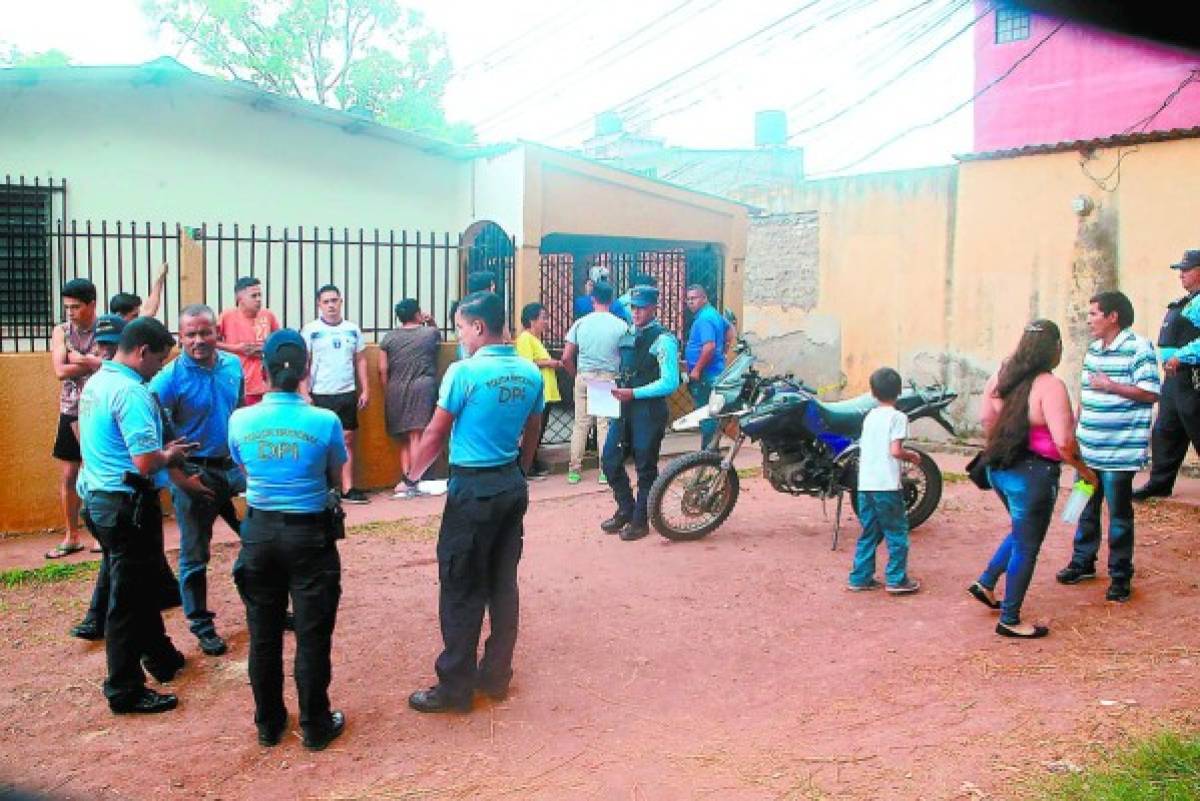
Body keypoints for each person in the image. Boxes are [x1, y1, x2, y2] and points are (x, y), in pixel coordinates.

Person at [401, 291, 543, 713]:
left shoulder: (463, 373)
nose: (459, 335)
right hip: (510, 484)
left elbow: (435, 433)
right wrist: (521, 465)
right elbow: (534, 428)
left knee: (461, 586)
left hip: (473, 489)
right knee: (502, 583)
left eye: (461, 327)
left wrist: (411, 476)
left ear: (478, 327)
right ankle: (496, 676)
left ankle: (455, 689)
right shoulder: (530, 372)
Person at [228, 329, 348, 750]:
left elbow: (244, 468)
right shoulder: (324, 421)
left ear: (262, 367)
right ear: (306, 369)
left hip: (259, 533)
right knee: (312, 634)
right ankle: (315, 725)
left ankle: (269, 723)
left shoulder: (241, 419)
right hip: (309, 534)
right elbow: (337, 475)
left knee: (263, 633)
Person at [77, 317, 193, 714]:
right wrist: (172, 455)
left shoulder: (97, 383)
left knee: (137, 584)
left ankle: (161, 657)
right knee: (126, 600)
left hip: (98, 500)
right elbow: (145, 461)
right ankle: (123, 688)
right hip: (126, 504)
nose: (158, 370)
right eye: (158, 361)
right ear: (143, 352)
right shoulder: (131, 393)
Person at [968, 320, 1098, 639]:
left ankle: (986, 583)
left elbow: (986, 418)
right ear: (1053, 349)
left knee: (1020, 529)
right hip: (1033, 476)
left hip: (1000, 468)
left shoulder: (1002, 376)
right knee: (1028, 544)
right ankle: (1010, 618)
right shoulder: (1050, 387)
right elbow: (1065, 443)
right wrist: (1085, 472)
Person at [150, 304, 246, 655]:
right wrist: (177, 477)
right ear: (180, 338)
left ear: (217, 333)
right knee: (194, 555)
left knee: (259, 540)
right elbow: (151, 432)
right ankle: (201, 625)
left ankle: (266, 607)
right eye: (190, 334)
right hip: (193, 475)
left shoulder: (233, 367)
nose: (198, 340)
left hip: (233, 470)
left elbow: (237, 417)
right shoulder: (168, 379)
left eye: (205, 332)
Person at [1055, 292, 1160, 602]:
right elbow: (1085, 395)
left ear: (1113, 316)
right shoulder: (1093, 350)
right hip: (1089, 451)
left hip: (1119, 453)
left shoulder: (1139, 348)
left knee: (1119, 516)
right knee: (1082, 507)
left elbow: (1150, 392)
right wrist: (1074, 430)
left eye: (1094, 314)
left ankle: (1119, 576)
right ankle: (1082, 562)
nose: (1089, 320)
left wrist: (1111, 386)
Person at [600, 285, 681, 541]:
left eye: (642, 307)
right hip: (623, 407)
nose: (636, 312)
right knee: (610, 459)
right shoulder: (628, 333)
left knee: (645, 466)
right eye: (633, 307)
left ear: (654, 307)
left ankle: (640, 520)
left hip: (648, 410)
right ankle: (626, 508)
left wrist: (634, 393)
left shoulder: (663, 339)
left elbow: (670, 382)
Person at [847, 367, 922, 595]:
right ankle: (896, 579)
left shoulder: (869, 416)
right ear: (899, 392)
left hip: (865, 485)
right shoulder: (898, 417)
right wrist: (913, 456)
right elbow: (895, 450)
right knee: (896, 532)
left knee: (869, 532)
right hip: (887, 486)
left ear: (873, 392)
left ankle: (860, 577)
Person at [1133, 249, 1200, 501]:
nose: (1181, 274)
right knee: (1166, 431)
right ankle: (1160, 483)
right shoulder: (1187, 301)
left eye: (1187, 269)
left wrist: (1182, 356)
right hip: (1175, 379)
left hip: (1194, 377)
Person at [48, 278, 102, 559]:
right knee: (70, 474)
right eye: (67, 307)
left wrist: (78, 358)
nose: (70, 312)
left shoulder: (105, 328)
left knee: (96, 471)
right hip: (71, 409)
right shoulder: (62, 331)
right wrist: (90, 361)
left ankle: (99, 535)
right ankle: (71, 535)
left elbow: (109, 364)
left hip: (100, 410)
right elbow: (59, 370)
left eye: (76, 307)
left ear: (92, 304)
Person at [301, 284, 370, 504]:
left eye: (335, 300)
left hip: (346, 393)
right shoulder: (310, 330)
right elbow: (305, 363)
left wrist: (365, 388)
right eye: (326, 301)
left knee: (347, 440)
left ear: (341, 302)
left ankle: (347, 488)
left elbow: (360, 360)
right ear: (319, 305)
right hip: (320, 393)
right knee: (320, 442)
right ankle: (325, 487)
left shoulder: (352, 329)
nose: (331, 305)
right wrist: (304, 392)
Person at [562, 281, 627, 484]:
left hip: (584, 375)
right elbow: (626, 355)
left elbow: (566, 358)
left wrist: (576, 375)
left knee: (580, 424)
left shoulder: (581, 324)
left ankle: (574, 470)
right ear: (612, 300)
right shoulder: (621, 325)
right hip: (608, 378)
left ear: (593, 299)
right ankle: (604, 471)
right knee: (604, 425)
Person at [380, 298, 441, 496]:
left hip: (395, 388)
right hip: (422, 387)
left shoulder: (389, 338)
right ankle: (415, 482)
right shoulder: (429, 333)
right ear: (417, 314)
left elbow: (383, 368)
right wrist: (430, 321)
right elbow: (437, 338)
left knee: (405, 439)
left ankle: (406, 478)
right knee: (417, 436)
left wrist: (387, 390)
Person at [514, 302, 562, 478]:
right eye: (543, 318)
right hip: (536, 392)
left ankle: (532, 461)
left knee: (539, 429)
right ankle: (528, 465)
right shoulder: (525, 338)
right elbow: (527, 363)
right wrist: (550, 362)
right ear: (532, 321)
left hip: (545, 391)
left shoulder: (534, 340)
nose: (546, 322)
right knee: (533, 429)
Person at [217, 276, 280, 407]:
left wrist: (265, 349)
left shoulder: (268, 316)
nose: (258, 299)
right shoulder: (227, 316)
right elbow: (212, 343)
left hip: (267, 385)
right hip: (240, 383)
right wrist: (236, 349)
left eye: (260, 295)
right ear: (240, 298)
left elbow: (279, 343)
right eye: (254, 296)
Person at [683, 284, 730, 450]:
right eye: (688, 299)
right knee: (710, 413)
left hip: (705, 375)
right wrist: (723, 351)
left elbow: (708, 347)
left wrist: (696, 369)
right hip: (714, 371)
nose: (690, 302)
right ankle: (711, 452)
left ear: (704, 298)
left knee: (707, 415)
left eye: (694, 298)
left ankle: (707, 455)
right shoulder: (713, 314)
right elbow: (730, 329)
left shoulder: (704, 319)